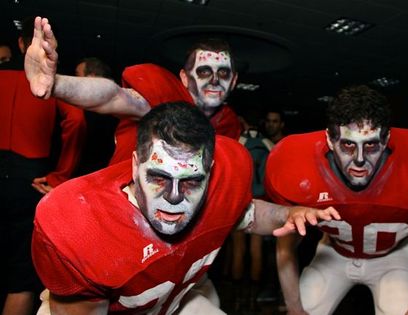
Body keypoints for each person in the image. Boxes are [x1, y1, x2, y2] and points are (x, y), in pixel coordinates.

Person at [31, 102, 340, 314]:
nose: (174, 197)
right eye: (159, 177)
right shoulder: (87, 228)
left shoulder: (223, 186)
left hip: (172, 303)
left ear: (212, 171)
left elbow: (248, 215)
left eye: (192, 181)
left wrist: (288, 214)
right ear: (135, 165)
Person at [266, 85, 408, 315]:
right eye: (348, 145)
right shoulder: (299, 170)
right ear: (330, 140)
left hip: (393, 258)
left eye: (371, 145)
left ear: (386, 138)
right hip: (333, 253)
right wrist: (295, 309)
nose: (359, 160)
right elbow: (284, 250)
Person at [25, 16, 241, 166]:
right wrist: (56, 84)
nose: (214, 80)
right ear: (184, 77)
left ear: (233, 81)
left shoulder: (229, 124)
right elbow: (114, 96)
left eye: (223, 73)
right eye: (204, 71)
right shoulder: (167, 97)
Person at [0, 17, 85, 315]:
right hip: (27, 179)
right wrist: (60, 176)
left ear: (21, 44)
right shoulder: (52, 83)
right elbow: (76, 120)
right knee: (21, 279)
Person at [230, 109, 274, 310]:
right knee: (257, 250)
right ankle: (254, 298)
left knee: (239, 250)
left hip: (241, 202)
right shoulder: (268, 144)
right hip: (261, 203)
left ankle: (238, 297)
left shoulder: (238, 142)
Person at [73, 57, 118, 176]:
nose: (74, 79)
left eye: (77, 74)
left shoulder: (90, 109)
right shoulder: (116, 103)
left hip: (89, 173)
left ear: (91, 77)